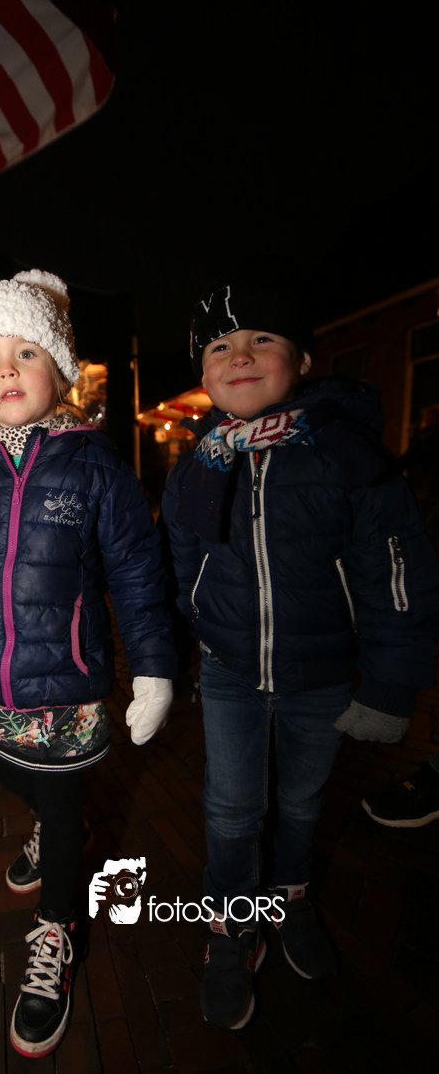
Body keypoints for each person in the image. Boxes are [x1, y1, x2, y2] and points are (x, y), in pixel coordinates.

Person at [160, 269, 439, 1031]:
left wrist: (389, 684)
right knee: (229, 808)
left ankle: (288, 897)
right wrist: (180, 647)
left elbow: (394, 571)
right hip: (228, 672)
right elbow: (179, 564)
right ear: (202, 373)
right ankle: (231, 923)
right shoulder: (196, 466)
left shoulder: (347, 454)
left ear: (304, 360)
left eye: (261, 338)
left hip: (321, 674)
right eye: (218, 345)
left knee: (301, 800)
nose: (239, 355)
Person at [0, 269, 176, 1058]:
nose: (7, 369)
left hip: (68, 684)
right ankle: (48, 826)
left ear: (59, 370)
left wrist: (155, 668)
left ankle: (55, 928)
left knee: (61, 809)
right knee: (13, 777)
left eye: (25, 351)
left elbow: (137, 573)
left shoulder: (96, 467)